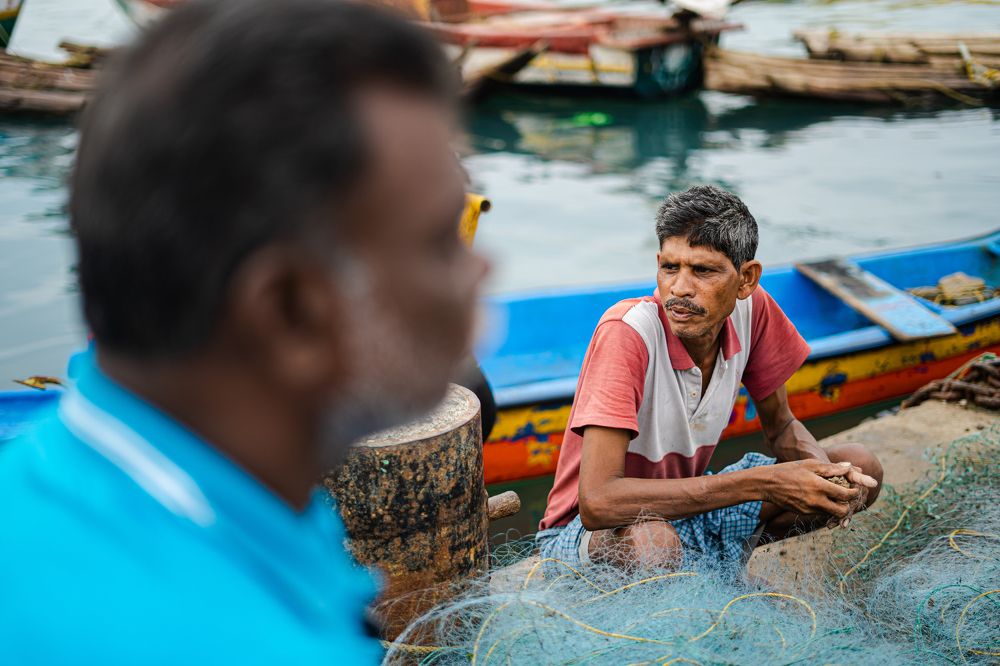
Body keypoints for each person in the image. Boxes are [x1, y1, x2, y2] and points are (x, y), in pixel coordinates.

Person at [0, 0, 487, 662]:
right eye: (438, 241)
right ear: (290, 308)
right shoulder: (250, 644)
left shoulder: (48, 483)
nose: (480, 268)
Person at [536, 185, 882, 570]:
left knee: (859, 466)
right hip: (593, 533)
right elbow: (598, 503)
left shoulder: (753, 311)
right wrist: (764, 482)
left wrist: (823, 477)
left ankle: (707, 571)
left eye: (703, 270)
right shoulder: (628, 333)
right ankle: (690, 576)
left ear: (746, 279)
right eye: (670, 268)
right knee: (653, 542)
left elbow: (782, 427)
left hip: (686, 510)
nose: (680, 288)